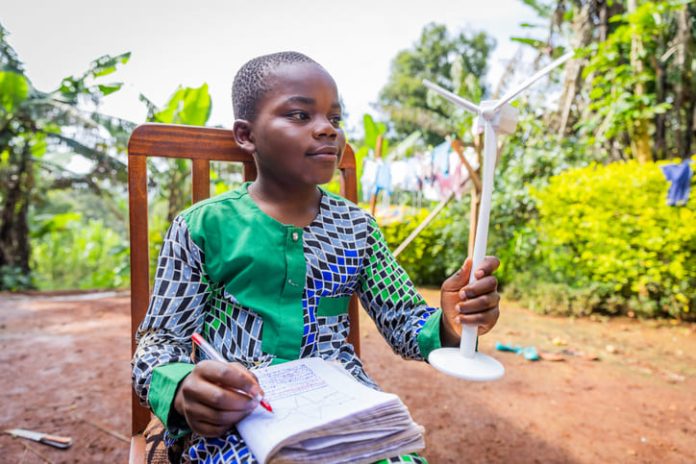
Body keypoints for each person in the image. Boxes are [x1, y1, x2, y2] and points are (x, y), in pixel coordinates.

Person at [132, 51, 501, 464]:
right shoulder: (202, 227)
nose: (327, 129)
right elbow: (159, 342)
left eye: (335, 119)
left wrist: (450, 323)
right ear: (245, 135)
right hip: (239, 415)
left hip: (343, 415)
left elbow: (404, 325)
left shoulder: (358, 229)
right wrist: (182, 387)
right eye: (299, 116)